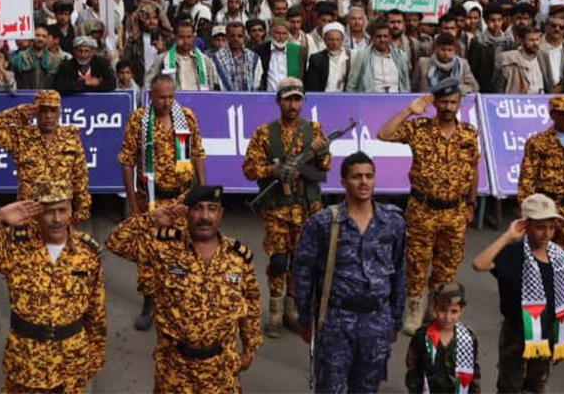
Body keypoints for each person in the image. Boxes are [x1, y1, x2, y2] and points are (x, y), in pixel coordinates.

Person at [0, 182, 104, 392]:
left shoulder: (88, 253)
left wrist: (94, 359)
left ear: (71, 211)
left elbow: (96, 313)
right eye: (49, 212)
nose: (57, 219)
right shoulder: (15, 247)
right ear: (36, 213)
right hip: (25, 364)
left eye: (62, 210)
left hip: (71, 364)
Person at [106, 184, 261, 392]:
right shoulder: (165, 248)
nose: (205, 216)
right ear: (186, 212)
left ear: (220, 214)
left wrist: (249, 348)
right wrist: (151, 219)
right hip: (175, 369)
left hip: (221, 369)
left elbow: (251, 302)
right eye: (197, 208)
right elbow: (115, 242)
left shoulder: (239, 257)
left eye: (211, 209)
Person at [291, 150, 406, 393]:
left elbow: (399, 271)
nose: (364, 182)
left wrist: (395, 319)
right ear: (343, 182)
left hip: (377, 319)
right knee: (329, 387)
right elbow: (303, 273)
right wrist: (305, 318)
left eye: (369, 176)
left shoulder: (393, 221)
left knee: (367, 388)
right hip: (336, 320)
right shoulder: (323, 223)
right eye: (356, 177)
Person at [378, 79, 480, 334]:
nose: (447, 106)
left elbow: (473, 169)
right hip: (423, 209)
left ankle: (438, 309)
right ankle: (414, 309)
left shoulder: (469, 133)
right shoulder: (420, 128)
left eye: (453, 102)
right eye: (443, 101)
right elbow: (384, 134)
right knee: (416, 263)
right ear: (435, 103)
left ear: (459, 104)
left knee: (448, 265)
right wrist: (409, 111)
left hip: (455, 211)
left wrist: (471, 203)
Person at [242, 77, 332, 338]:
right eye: (288, 99)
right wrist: (274, 169)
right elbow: (249, 169)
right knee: (279, 260)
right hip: (278, 209)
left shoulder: (314, 130)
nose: (293, 105)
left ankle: (292, 310)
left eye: (297, 99)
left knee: (301, 261)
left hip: (307, 207)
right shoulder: (264, 133)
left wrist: (320, 152)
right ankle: (274, 310)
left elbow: (325, 167)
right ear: (278, 100)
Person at [118, 74, 207, 330]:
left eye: (171, 97)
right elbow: (127, 161)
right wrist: (133, 205)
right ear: (151, 95)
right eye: (161, 97)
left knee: (182, 250)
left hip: (181, 196)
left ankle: (178, 301)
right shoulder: (139, 120)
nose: (167, 102)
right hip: (150, 198)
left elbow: (198, 153)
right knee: (148, 253)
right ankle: (149, 302)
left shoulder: (186, 117)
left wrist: (202, 191)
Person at [472, 195, 564, 393]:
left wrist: (562, 339)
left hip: (546, 335)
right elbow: (479, 264)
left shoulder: (559, 256)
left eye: (551, 227)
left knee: (536, 386)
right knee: (510, 386)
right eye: (540, 227)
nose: (547, 234)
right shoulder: (513, 253)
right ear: (525, 225)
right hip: (517, 334)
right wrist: (508, 236)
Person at [0, 89, 92, 222]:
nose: (48, 116)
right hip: (29, 214)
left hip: (59, 215)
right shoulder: (22, 137)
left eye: (53, 111)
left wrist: (82, 211)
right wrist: (16, 113)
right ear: (36, 112)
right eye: (43, 111)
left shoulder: (71, 138)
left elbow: (80, 177)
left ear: (59, 113)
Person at [517, 95, 564, 262]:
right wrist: (528, 212)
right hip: (545, 208)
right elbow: (526, 179)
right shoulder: (538, 142)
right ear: (553, 115)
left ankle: (563, 289)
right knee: (538, 258)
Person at [404, 282, 481, 394]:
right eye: (443, 310)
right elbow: (412, 370)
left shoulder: (468, 339)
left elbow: (474, 376)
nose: (447, 317)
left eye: (454, 311)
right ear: (435, 307)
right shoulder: (422, 336)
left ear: (461, 311)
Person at [145, 19, 223, 91]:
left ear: (193, 37)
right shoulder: (162, 60)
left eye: (188, 37)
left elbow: (215, 86)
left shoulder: (206, 61)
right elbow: (148, 85)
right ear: (175, 37)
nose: (185, 41)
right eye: (181, 37)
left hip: (200, 103)